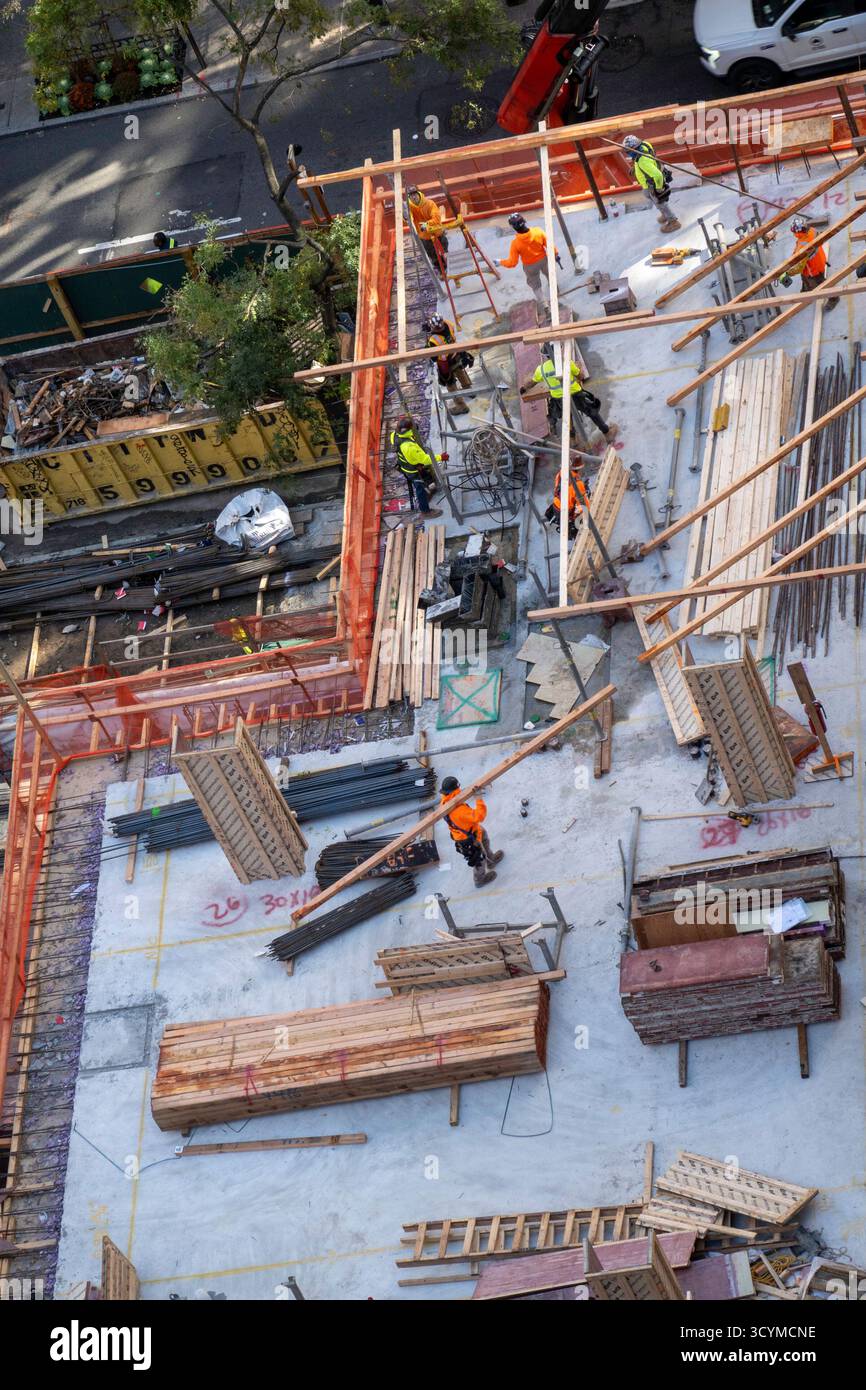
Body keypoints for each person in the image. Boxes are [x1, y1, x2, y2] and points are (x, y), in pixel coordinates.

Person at [520, 347, 618, 442]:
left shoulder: (541, 370)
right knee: (592, 412)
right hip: (576, 395)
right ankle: (607, 433)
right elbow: (581, 376)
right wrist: (579, 369)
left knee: (567, 417)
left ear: (546, 356)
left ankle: (573, 439)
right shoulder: (567, 363)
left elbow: (531, 382)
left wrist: (524, 388)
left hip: (559, 399)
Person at [440, 776, 503, 888]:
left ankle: (491, 859)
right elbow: (480, 816)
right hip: (468, 839)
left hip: (472, 830)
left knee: (484, 839)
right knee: (479, 859)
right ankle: (480, 880)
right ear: (456, 789)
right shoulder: (459, 811)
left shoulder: (446, 800)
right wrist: (478, 798)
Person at [500, 213, 562, 306]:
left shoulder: (515, 243)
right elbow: (549, 245)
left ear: (513, 227)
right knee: (550, 275)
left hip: (530, 267)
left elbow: (512, 263)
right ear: (524, 221)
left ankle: (545, 305)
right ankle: (555, 291)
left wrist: (500, 262)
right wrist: (555, 254)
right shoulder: (538, 231)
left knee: (536, 285)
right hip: (543, 260)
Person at [623, 135, 681, 234]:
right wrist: (635, 167)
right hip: (651, 176)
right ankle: (665, 215)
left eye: (628, 151)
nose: (627, 153)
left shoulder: (642, 162)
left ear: (633, 150)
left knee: (660, 203)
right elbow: (648, 158)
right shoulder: (645, 145)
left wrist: (658, 189)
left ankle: (673, 221)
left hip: (651, 185)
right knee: (657, 202)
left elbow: (658, 176)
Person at [389, 415, 443, 517]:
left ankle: (430, 491)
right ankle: (425, 511)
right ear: (409, 430)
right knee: (420, 489)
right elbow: (425, 459)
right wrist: (441, 457)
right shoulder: (408, 446)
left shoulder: (394, 435)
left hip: (405, 465)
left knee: (426, 476)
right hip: (412, 470)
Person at [780, 218, 839, 310]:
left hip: (813, 270)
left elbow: (799, 267)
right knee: (804, 278)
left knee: (820, 285)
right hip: (819, 260)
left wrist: (787, 273)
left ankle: (834, 298)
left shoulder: (804, 246)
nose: (793, 234)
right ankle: (806, 291)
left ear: (798, 231)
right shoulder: (811, 230)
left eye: (794, 232)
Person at [423, 314, 473, 415]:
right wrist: (430, 330)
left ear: (434, 327)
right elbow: (445, 334)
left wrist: (427, 346)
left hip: (445, 363)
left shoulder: (434, 340)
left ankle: (461, 406)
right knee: (461, 372)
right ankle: (470, 392)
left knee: (450, 384)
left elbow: (433, 358)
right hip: (455, 353)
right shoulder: (448, 323)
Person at [407, 187, 449, 276]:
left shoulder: (430, 204)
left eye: (415, 194)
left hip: (437, 231)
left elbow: (437, 218)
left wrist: (427, 224)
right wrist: (406, 217)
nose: (414, 197)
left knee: (444, 246)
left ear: (419, 194)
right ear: (409, 198)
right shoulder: (409, 208)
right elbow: (409, 218)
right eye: (411, 196)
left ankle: (447, 258)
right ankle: (441, 270)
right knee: (433, 255)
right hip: (424, 236)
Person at [544, 467, 591, 538]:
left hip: (556, 504)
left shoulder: (560, 474)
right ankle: (573, 533)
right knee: (578, 517)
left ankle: (549, 516)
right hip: (563, 510)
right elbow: (581, 507)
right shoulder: (575, 489)